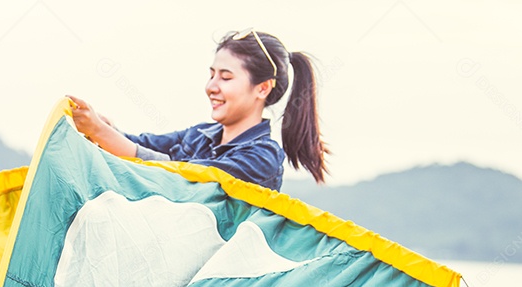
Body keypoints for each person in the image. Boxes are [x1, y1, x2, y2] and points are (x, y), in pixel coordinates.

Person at [68, 29, 328, 191]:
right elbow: (140, 145)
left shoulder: (262, 157)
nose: (211, 87)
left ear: (262, 89)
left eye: (226, 78)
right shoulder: (199, 134)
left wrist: (102, 132)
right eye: (212, 75)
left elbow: (182, 175)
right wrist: (104, 130)